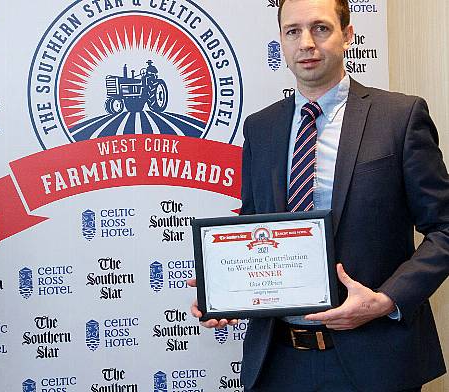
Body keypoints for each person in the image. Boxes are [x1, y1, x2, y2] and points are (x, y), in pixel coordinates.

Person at [189, 0, 449, 391]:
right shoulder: (261, 128)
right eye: (293, 31)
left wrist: (387, 300)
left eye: (321, 28)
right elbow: (253, 226)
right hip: (279, 363)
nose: (306, 43)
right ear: (281, 41)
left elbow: (444, 228)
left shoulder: (400, 117)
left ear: (347, 35)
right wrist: (225, 291)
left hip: (376, 360)